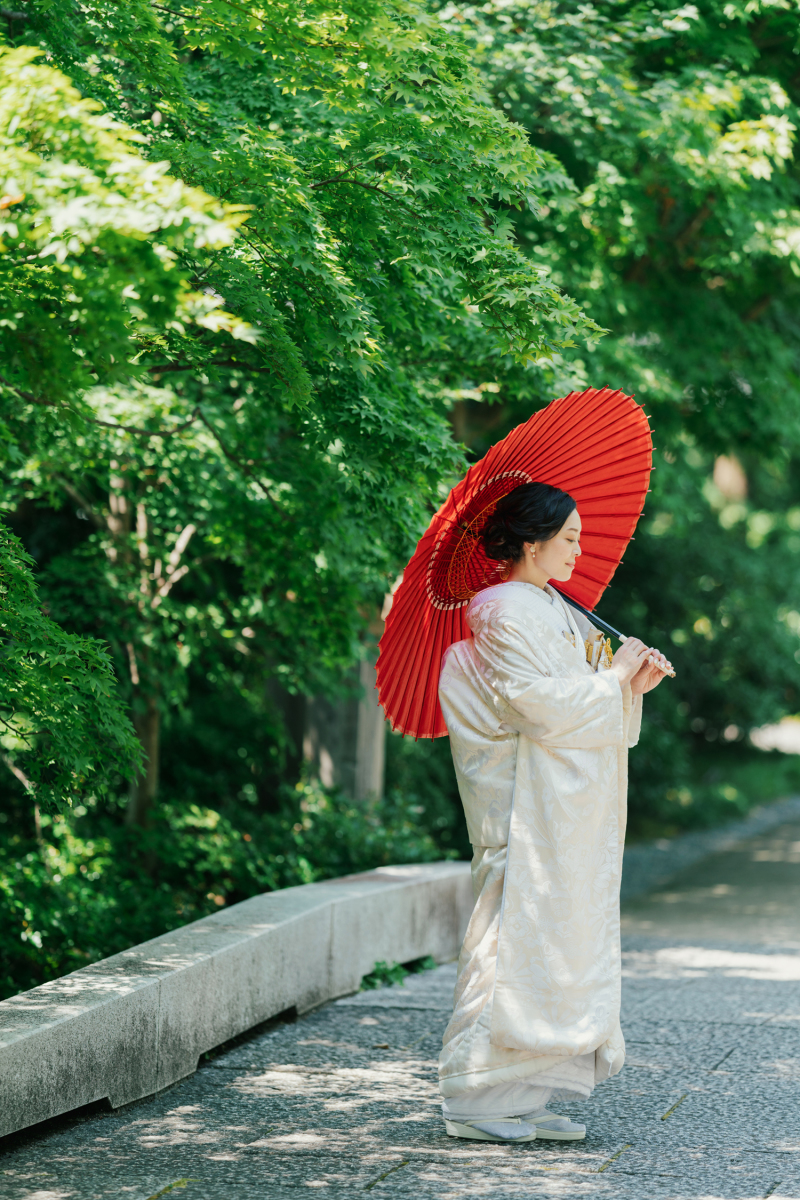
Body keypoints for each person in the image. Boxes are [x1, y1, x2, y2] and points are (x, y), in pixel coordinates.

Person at [437, 481, 671, 1144]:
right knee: (508, 941)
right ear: (532, 542)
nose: (577, 548)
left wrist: (630, 686)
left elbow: (583, 699)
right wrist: (611, 680)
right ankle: (472, 1098)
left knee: (553, 942)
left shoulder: (551, 606)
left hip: (556, 804)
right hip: (522, 807)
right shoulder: (504, 609)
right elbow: (534, 705)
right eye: (568, 537)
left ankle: (520, 1094)